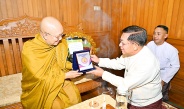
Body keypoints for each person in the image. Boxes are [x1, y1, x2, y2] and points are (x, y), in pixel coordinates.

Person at [88, 25, 163, 109]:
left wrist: (103, 74)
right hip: (131, 98)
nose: (120, 45)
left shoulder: (147, 63)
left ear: (135, 45)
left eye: (123, 43)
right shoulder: (131, 52)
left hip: (146, 104)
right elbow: (118, 63)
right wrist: (99, 60)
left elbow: (124, 84)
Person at [21, 17, 83, 109]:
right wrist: (65, 76)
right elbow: (39, 78)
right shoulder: (30, 49)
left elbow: (62, 63)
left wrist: (78, 65)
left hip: (58, 79)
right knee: (57, 105)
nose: (61, 38)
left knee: (73, 96)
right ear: (45, 35)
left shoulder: (59, 43)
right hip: (41, 88)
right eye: (57, 36)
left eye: (62, 34)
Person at [147, 25, 180, 101]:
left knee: (161, 96)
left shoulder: (172, 50)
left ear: (165, 36)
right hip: (151, 73)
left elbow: (175, 66)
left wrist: (164, 80)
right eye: (154, 33)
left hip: (164, 75)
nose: (155, 36)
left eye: (158, 34)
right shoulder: (150, 44)